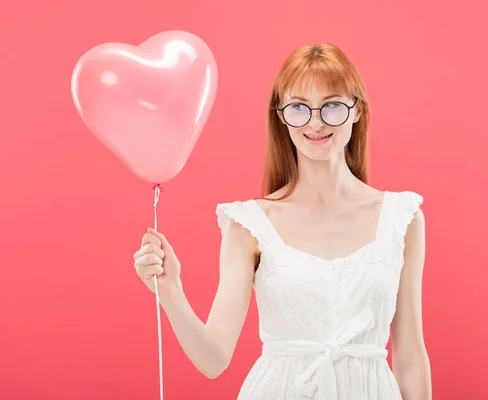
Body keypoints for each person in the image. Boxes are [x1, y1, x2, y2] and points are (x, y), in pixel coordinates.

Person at [133, 43, 432, 400]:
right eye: (299, 108)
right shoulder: (249, 224)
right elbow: (213, 359)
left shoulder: (402, 218)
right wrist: (171, 292)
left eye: (332, 105)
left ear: (357, 110)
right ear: (280, 114)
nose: (316, 122)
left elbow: (410, 356)